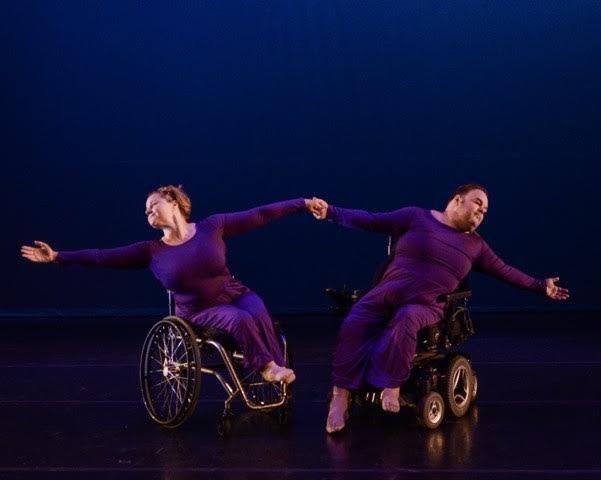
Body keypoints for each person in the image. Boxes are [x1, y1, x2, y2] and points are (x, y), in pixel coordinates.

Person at [312, 184, 569, 433]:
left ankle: (392, 384)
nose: (481, 213)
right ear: (457, 199)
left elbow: (506, 271)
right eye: (478, 203)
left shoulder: (476, 246)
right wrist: (331, 212)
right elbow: (371, 220)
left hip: (426, 305)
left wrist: (539, 285)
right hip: (387, 293)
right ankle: (340, 396)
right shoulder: (417, 217)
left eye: (485, 211)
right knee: (354, 320)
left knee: (406, 319)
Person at [21, 185, 325, 385]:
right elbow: (103, 257)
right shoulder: (150, 251)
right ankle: (267, 368)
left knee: (258, 310)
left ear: (173, 201)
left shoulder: (212, 226)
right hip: (198, 311)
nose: (148, 212)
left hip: (233, 292)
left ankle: (270, 363)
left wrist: (301, 203)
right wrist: (59, 256)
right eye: (145, 211)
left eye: (152, 205)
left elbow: (260, 214)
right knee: (242, 319)